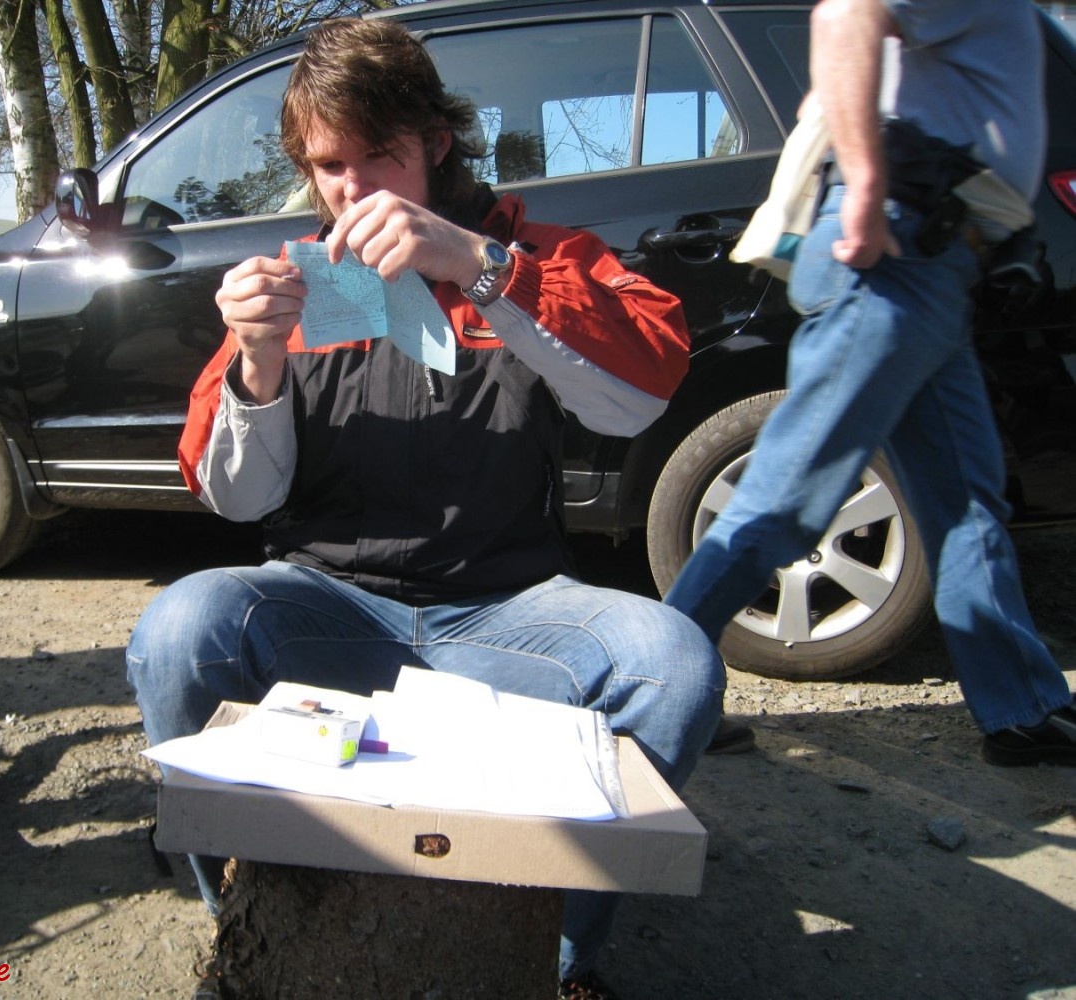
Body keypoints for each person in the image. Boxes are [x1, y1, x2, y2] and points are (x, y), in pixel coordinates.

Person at [125, 17, 724, 999]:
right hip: (327, 610)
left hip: (509, 615)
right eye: (329, 166)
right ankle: (248, 920)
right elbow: (237, 498)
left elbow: (640, 395)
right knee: (179, 630)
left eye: (380, 156)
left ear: (437, 144)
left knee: (674, 663)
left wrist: (478, 265)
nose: (353, 190)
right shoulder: (293, 285)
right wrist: (257, 360)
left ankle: (558, 956)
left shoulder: (532, 253)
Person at [664, 0, 1075, 766]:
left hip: (933, 267)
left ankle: (1022, 708)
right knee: (786, 497)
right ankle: (649, 687)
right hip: (895, 256)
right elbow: (844, 16)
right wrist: (862, 182)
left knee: (965, 502)